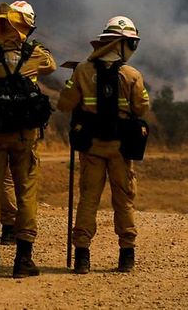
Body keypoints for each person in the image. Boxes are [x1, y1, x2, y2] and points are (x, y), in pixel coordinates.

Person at [57, 15, 150, 275]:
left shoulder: (83, 70)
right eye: (132, 43)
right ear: (120, 45)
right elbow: (141, 107)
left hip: (92, 148)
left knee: (88, 200)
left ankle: (82, 258)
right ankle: (126, 256)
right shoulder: (132, 75)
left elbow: (64, 104)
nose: (133, 49)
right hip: (121, 149)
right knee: (124, 200)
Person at [0, 0, 57, 277]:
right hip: (25, 136)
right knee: (26, 194)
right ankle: (23, 260)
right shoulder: (35, 55)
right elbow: (51, 65)